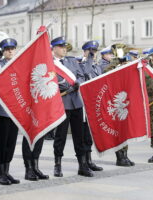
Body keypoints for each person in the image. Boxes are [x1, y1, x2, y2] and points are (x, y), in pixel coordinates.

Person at [52, 36, 93, 177]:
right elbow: (50, 82)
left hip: (76, 102)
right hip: (62, 103)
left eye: (65, 47)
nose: (64, 49)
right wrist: (65, 87)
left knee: (79, 135)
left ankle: (82, 165)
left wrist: (78, 83)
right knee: (61, 136)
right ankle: (57, 164)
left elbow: (81, 75)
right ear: (54, 48)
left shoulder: (71, 61)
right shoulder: (49, 63)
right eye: (61, 47)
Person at [0, 38, 20, 185]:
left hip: (16, 111)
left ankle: (6, 171)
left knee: (11, 142)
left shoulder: (19, 66)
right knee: (2, 143)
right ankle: (0, 173)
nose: (10, 51)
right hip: (2, 110)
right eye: (7, 49)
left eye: (12, 49)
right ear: (3, 51)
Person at [79, 40, 103, 171]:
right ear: (85, 51)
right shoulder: (81, 64)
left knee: (89, 135)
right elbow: (85, 73)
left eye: (95, 51)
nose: (93, 54)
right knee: (83, 135)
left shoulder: (97, 66)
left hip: (94, 104)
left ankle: (89, 160)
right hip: (83, 105)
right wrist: (88, 59)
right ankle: (83, 162)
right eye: (90, 51)